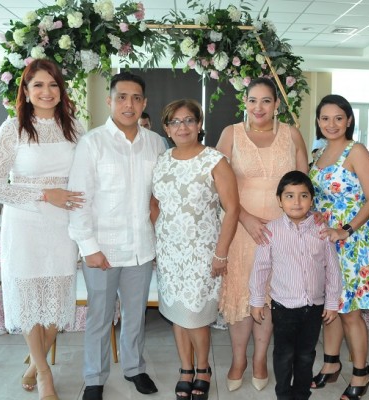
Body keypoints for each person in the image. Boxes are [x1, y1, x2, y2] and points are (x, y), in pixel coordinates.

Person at [0, 59, 85, 400]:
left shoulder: (75, 125)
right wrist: (44, 194)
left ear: (61, 89)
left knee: (57, 302)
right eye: (38, 85)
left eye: (53, 85)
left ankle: (33, 364)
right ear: (25, 91)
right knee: (28, 296)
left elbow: (88, 175)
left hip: (63, 224)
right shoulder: (11, 129)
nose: (46, 92)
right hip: (25, 223)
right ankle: (44, 373)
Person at [68, 72, 166, 400]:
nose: (129, 104)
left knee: (135, 315)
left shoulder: (156, 143)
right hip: (102, 249)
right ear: (109, 101)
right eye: (122, 97)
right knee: (100, 315)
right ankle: (94, 378)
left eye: (136, 98)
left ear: (145, 104)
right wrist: (89, 247)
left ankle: (134, 368)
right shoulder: (92, 143)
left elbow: (160, 196)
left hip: (141, 246)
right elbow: (79, 199)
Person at [216, 77, 309, 392]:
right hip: (242, 230)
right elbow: (216, 183)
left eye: (266, 101)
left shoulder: (292, 135)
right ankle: (238, 359)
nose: (259, 107)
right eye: (253, 100)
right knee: (241, 297)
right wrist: (244, 217)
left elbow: (303, 185)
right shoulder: (231, 134)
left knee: (270, 298)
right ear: (245, 102)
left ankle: (259, 359)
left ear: (277, 104)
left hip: (281, 232)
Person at [152, 99, 240, 400]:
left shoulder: (214, 160)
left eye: (189, 120)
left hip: (202, 252)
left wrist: (221, 253)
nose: (183, 127)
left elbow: (232, 209)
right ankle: (185, 368)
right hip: (169, 253)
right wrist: (160, 236)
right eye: (175, 122)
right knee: (177, 314)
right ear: (166, 128)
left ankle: (203, 369)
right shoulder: (162, 160)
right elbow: (155, 203)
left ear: (199, 124)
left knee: (196, 316)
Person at [309, 94, 369, 400]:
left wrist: (345, 230)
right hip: (326, 240)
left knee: (350, 311)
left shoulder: (357, 151)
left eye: (338, 118)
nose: (332, 124)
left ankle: (361, 373)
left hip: (353, 239)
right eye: (325, 118)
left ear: (349, 120)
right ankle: (330, 364)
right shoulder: (319, 151)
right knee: (331, 307)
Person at [250, 170, 342, 400]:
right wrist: (256, 301)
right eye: (289, 196)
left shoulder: (323, 230)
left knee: (306, 355)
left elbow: (332, 268)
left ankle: (301, 394)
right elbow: (260, 268)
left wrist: (331, 302)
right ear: (279, 200)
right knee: (283, 355)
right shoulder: (271, 231)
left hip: (313, 307)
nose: (297, 202)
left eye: (303, 195)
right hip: (283, 308)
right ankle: (283, 394)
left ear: (311, 199)